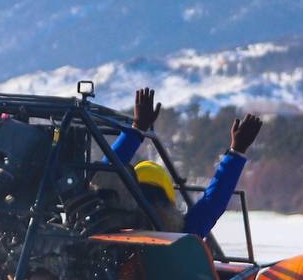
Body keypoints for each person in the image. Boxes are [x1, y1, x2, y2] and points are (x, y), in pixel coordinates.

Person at [110, 88, 262, 238]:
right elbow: (213, 203)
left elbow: (104, 174)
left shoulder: (108, 223)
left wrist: (137, 129)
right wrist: (237, 151)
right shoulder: (179, 234)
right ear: (169, 199)